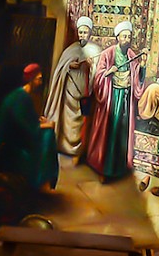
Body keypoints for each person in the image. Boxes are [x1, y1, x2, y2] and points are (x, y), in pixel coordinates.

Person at [81, 20, 144, 183]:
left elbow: (136, 74)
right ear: (117, 37)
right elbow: (98, 76)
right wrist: (109, 72)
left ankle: (119, 168)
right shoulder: (108, 53)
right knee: (110, 131)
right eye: (124, 36)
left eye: (129, 37)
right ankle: (106, 169)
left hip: (125, 99)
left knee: (122, 132)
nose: (127, 39)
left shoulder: (131, 55)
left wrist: (142, 67)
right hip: (112, 98)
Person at [0, 64, 57, 194]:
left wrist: (39, 121)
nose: (40, 82)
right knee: (48, 136)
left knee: (46, 133)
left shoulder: (22, 95)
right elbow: (25, 126)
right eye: (39, 79)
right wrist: (47, 125)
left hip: (15, 136)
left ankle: (43, 182)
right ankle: (40, 181)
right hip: (8, 144)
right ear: (31, 79)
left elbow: (27, 119)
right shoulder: (21, 97)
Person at [42, 13, 97, 160]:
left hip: (83, 93)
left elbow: (98, 72)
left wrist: (92, 66)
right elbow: (61, 68)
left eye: (85, 32)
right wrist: (69, 65)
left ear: (90, 33)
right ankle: (63, 146)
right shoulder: (71, 49)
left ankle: (78, 151)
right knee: (67, 122)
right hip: (68, 93)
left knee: (80, 124)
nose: (83, 35)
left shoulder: (94, 50)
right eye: (81, 32)